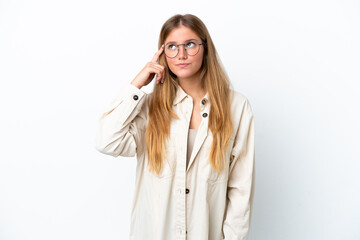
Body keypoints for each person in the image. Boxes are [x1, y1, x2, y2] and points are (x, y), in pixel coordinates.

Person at [95, 13, 255, 240]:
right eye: (171, 46)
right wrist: (137, 84)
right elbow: (105, 141)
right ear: (162, 54)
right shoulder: (150, 108)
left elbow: (241, 190)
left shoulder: (236, 107)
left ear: (205, 48)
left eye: (190, 44)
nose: (181, 54)